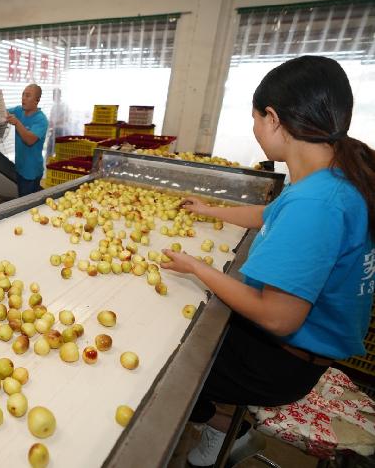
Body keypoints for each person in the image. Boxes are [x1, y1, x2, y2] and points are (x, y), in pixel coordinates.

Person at [160, 55, 375, 467]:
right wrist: (210, 211)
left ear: (274, 119)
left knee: (165, 356)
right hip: (297, 350)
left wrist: (197, 268)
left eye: (256, 118)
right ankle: (223, 421)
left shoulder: (318, 203)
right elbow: (269, 215)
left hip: (280, 363)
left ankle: (217, 424)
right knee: (191, 317)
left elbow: (279, 318)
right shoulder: (334, 180)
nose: (255, 128)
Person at [7, 84, 49, 197]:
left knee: (27, 205)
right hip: (20, 167)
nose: (23, 98)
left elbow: (29, 140)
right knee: (21, 198)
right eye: (23, 95)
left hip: (31, 171)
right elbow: (3, 113)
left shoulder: (41, 120)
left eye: (28, 95)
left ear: (37, 100)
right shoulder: (19, 110)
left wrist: (17, 123)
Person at [46, 87, 70, 161]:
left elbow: (66, 119)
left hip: (61, 130)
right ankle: (47, 165)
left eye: (55, 95)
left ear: (59, 95)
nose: (53, 97)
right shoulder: (54, 106)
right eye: (53, 95)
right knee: (49, 151)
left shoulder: (64, 105)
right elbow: (51, 120)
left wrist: (55, 123)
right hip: (54, 130)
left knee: (57, 151)